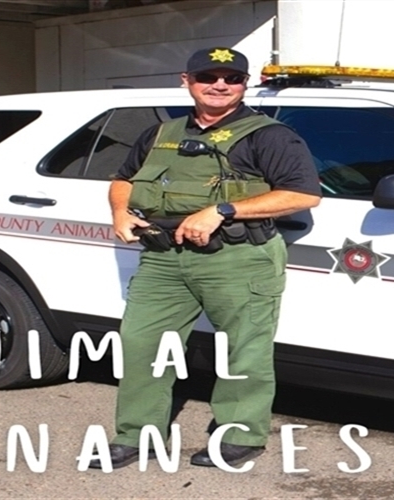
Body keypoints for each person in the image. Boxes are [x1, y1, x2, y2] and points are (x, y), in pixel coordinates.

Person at [92, 47, 321, 470]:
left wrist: (223, 210)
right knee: (142, 344)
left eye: (231, 78)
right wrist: (120, 211)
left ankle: (240, 435)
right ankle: (136, 434)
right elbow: (124, 179)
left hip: (238, 257)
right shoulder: (160, 133)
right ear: (187, 81)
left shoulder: (267, 135)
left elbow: (304, 194)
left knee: (244, 350)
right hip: (163, 259)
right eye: (207, 76)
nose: (219, 85)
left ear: (244, 84)